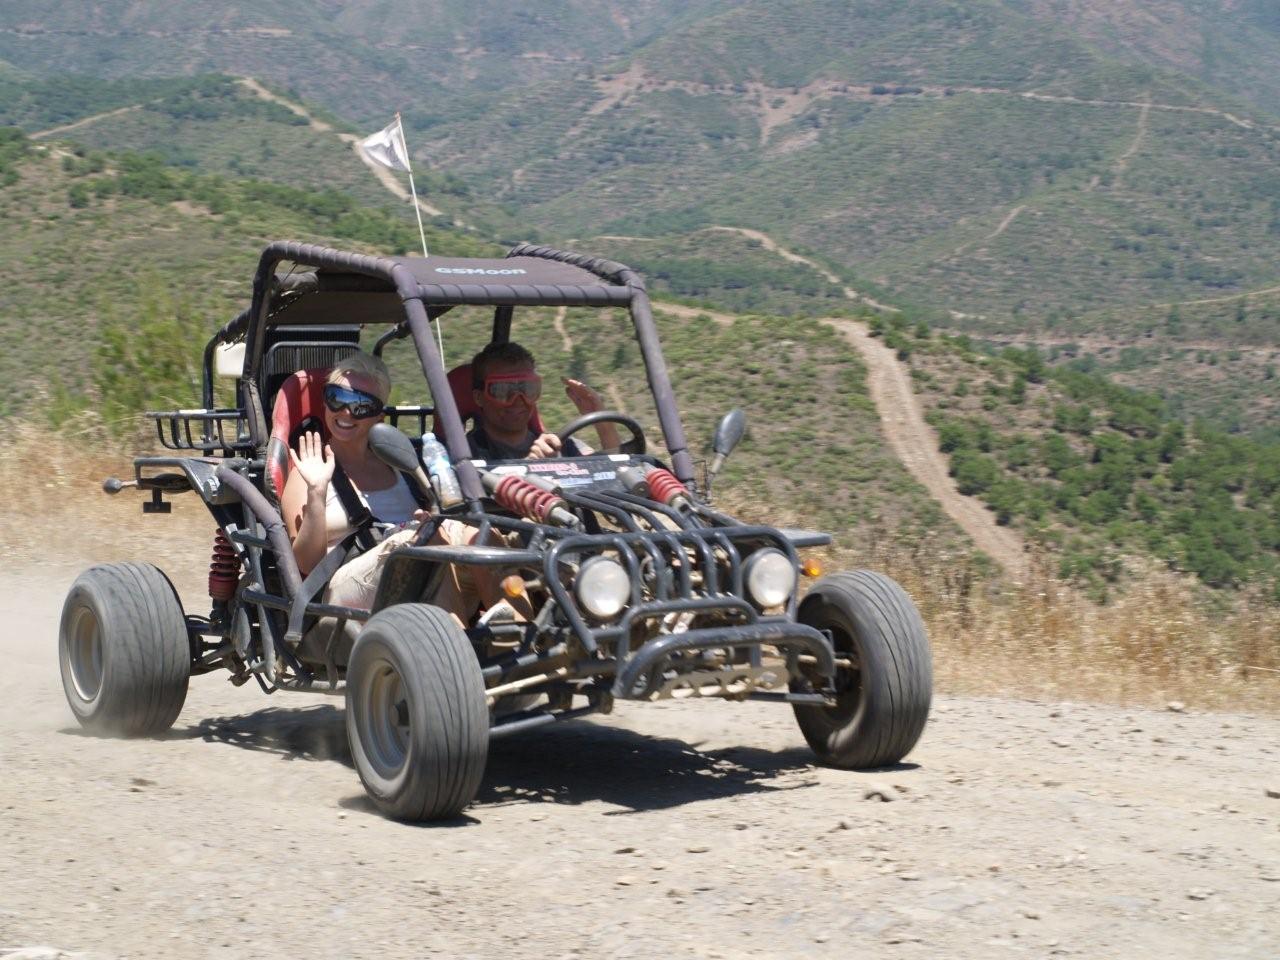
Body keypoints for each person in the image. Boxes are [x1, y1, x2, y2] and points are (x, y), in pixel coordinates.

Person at [281, 351, 507, 622]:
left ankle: (518, 637)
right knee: (423, 542)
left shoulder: (401, 464)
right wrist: (317, 493)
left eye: (362, 405)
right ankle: (455, 643)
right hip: (343, 588)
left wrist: (432, 520)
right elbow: (305, 564)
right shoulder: (309, 469)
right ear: (325, 403)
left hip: (417, 568)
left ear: (379, 417)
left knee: (481, 534)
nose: (345, 412)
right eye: (337, 398)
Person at [466, 341, 620, 460]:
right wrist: (532, 465)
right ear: (479, 398)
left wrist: (603, 423)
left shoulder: (559, 445)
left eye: (527, 389)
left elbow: (615, 472)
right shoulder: (466, 454)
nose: (518, 400)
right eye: (503, 391)